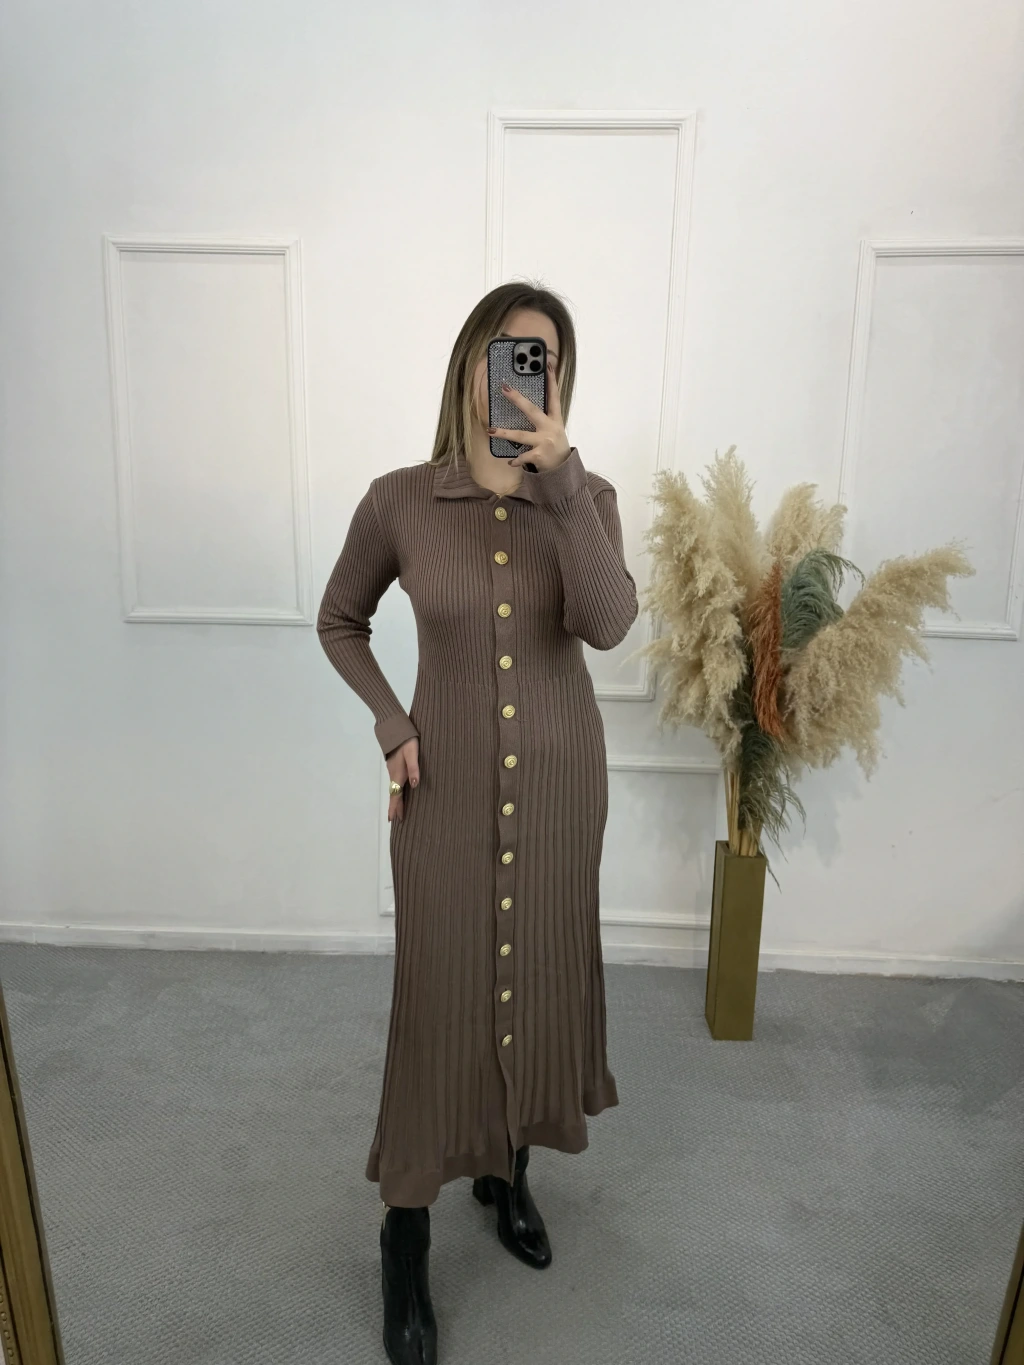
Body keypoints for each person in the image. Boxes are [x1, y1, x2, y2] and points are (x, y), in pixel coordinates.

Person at [317, 281, 639, 1365]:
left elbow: (608, 624)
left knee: (536, 974)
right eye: (508, 354)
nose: (521, 377)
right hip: (444, 793)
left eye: (543, 361)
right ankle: (404, 1233)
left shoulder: (586, 500)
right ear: (469, 365)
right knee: (439, 998)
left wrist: (565, 480)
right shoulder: (399, 501)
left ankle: (509, 1174)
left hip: (559, 791)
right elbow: (340, 618)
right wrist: (390, 720)